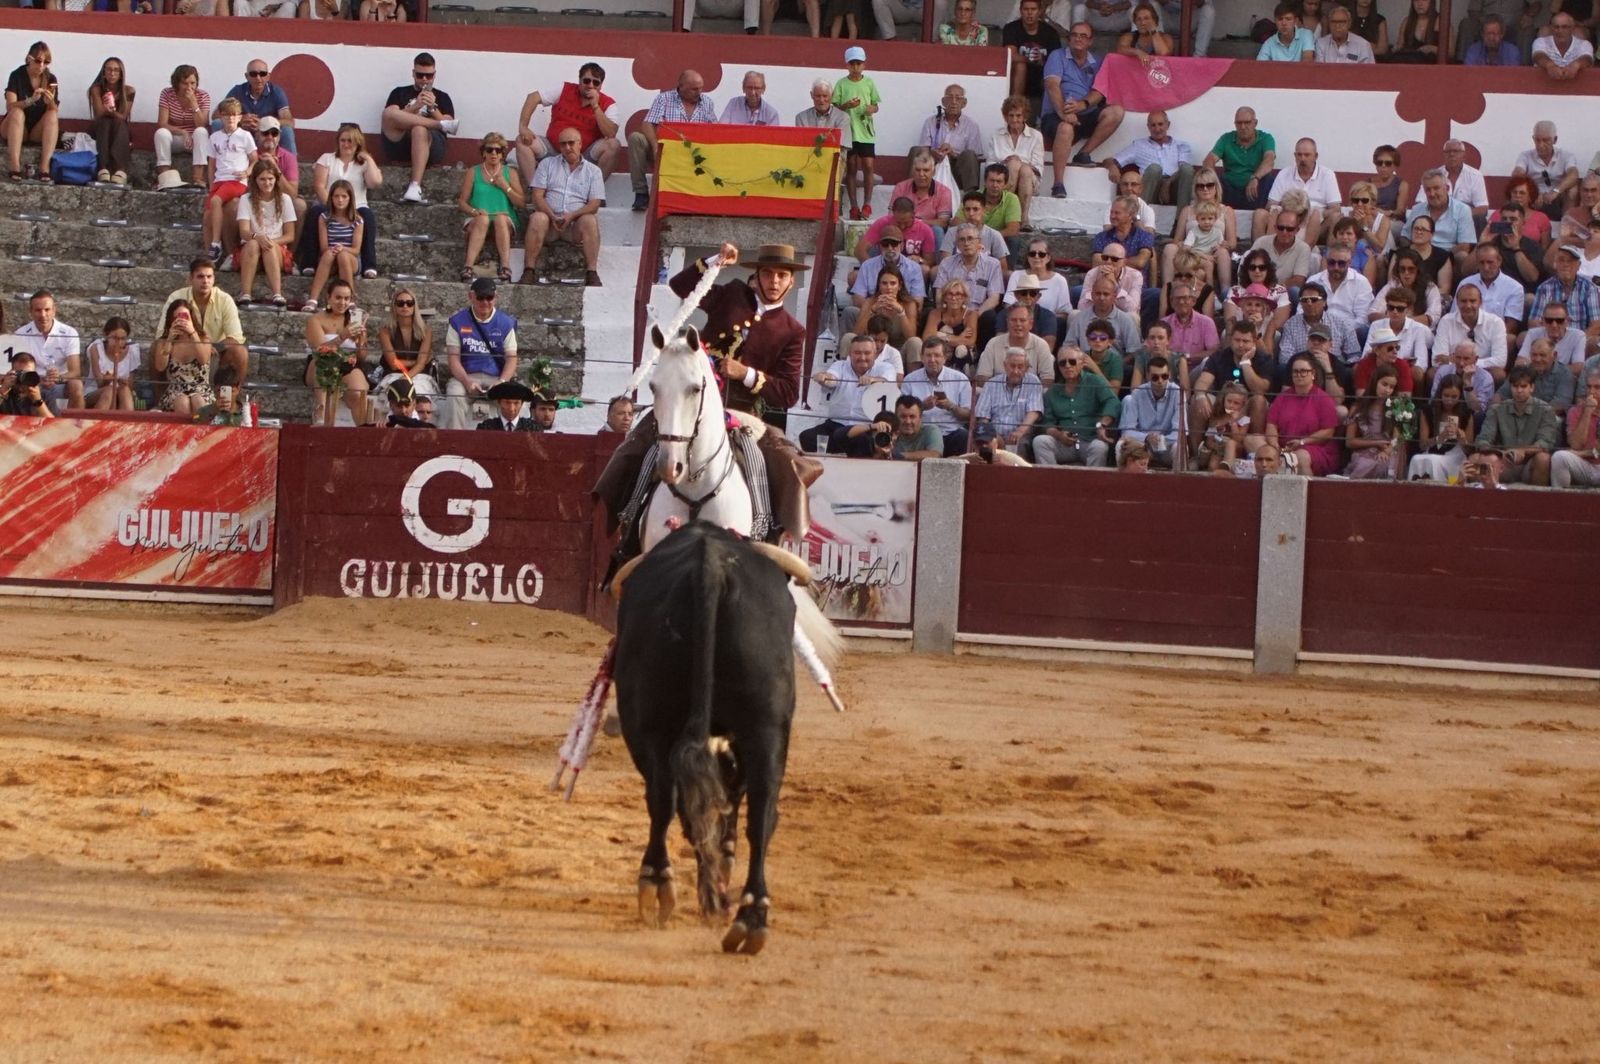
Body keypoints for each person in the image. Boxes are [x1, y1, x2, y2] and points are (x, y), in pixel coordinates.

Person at [1042, 24, 1124, 193]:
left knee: (1116, 112)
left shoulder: (1097, 61)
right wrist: (1064, 114)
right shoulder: (1057, 56)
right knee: (1065, 128)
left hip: (1085, 114)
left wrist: (1082, 105)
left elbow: (1100, 91)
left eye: (1083, 36)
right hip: (1055, 115)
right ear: (1068, 38)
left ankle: (1083, 153)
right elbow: (1052, 86)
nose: (1078, 38)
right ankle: (1058, 184)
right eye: (1074, 35)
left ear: (1090, 41)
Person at [514, 62, 621, 190]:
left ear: (601, 85)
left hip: (584, 156)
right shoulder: (564, 89)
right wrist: (523, 127)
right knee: (522, 140)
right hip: (553, 150)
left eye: (595, 83)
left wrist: (596, 106)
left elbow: (610, 134)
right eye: (586, 81)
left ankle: (594, 191)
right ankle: (534, 189)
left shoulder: (608, 104)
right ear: (579, 80)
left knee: (613, 145)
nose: (590, 86)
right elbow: (533, 97)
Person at [523, 126, 604, 288]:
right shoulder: (547, 164)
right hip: (549, 224)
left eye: (571, 143)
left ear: (580, 144)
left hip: (574, 226)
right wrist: (552, 216)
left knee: (589, 220)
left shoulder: (593, 171)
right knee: (538, 217)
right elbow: (537, 196)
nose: (567, 147)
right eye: (563, 144)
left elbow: (595, 204)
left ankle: (592, 272)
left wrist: (572, 216)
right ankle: (529, 270)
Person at [628, 68, 716, 214]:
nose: (699, 92)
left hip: (693, 156)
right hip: (665, 151)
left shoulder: (707, 102)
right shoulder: (664, 99)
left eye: (700, 88)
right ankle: (641, 192)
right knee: (635, 138)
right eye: (694, 89)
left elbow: (714, 129)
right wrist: (656, 146)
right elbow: (648, 123)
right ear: (681, 87)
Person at [301, 123, 382, 279]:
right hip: (328, 203)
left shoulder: (363, 163)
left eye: (350, 141)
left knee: (368, 216)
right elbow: (319, 186)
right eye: (343, 140)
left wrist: (369, 159)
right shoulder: (327, 159)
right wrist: (333, 207)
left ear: (358, 142)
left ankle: (369, 265)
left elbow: (375, 182)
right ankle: (309, 263)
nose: (346, 144)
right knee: (315, 212)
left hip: (356, 206)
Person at [443, 277, 518, 431]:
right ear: (471, 297)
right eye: (480, 297)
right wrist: (466, 382)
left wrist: (501, 382)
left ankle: (509, 440)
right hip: (467, 375)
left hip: (496, 376)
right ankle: (454, 441)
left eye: (489, 298)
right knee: (455, 394)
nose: (485, 302)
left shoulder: (506, 323)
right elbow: (453, 359)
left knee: (513, 397)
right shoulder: (457, 321)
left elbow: (511, 359)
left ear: (496, 298)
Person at [382, 52, 458, 205]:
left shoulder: (442, 97)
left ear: (434, 75)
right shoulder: (399, 92)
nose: (424, 79)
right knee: (389, 113)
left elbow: (450, 125)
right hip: (400, 143)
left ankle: (415, 186)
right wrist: (415, 106)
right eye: (420, 75)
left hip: (430, 146)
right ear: (413, 73)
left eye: (428, 76)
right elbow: (390, 118)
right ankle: (437, 124)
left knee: (419, 128)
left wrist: (432, 108)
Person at [162, 259, 247, 390]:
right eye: (200, 276)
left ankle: (229, 402)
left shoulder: (225, 300)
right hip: (182, 350)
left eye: (209, 276)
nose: (205, 281)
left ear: (214, 279)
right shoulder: (176, 297)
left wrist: (208, 346)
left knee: (240, 352)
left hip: (216, 353)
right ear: (190, 278)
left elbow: (235, 338)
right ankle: (160, 403)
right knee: (156, 348)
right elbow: (162, 334)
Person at [800, 335, 894, 453]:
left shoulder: (885, 367)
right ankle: (843, 447)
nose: (862, 357)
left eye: (867, 353)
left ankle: (844, 447)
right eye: (857, 353)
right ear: (850, 354)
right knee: (807, 437)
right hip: (836, 424)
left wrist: (872, 380)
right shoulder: (840, 365)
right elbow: (832, 378)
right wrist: (824, 377)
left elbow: (887, 380)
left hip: (865, 427)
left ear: (875, 354)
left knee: (862, 442)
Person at [1031, 347, 1119, 465]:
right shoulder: (1052, 392)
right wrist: (1059, 435)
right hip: (1063, 444)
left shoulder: (1095, 381)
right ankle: (1050, 481)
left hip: (1090, 440)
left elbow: (1113, 401)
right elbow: (1048, 423)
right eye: (1062, 363)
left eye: (1072, 361)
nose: (1067, 366)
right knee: (1040, 441)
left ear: (1082, 363)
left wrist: (1102, 424)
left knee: (1099, 447)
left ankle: (1094, 483)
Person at [1473, 365, 1560, 483]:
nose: (1519, 390)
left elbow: (1545, 443)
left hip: (1530, 464)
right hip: (1502, 462)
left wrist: (1522, 451)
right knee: (1474, 459)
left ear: (1532, 387)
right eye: (1515, 386)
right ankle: (1482, 498)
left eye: (1523, 386)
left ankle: (1538, 499)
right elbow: (1483, 440)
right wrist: (1499, 453)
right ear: (1510, 387)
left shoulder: (1545, 410)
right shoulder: (1497, 409)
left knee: (1543, 458)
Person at [457, 132, 523, 283]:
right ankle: (468, 266)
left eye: (498, 150)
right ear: (483, 153)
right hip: (478, 220)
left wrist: (505, 187)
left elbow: (521, 202)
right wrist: (474, 211)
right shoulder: (473, 172)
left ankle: (505, 267)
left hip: (504, 221)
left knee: (500, 218)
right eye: (490, 150)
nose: (494, 153)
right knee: (483, 219)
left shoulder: (510, 173)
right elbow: (462, 202)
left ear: (502, 154)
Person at [303, 279, 370, 424]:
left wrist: (361, 340)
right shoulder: (316, 320)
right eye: (338, 298)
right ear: (329, 298)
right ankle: (322, 414)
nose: (342, 303)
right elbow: (320, 350)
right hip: (321, 363)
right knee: (325, 362)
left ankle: (363, 429)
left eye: (347, 299)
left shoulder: (354, 319)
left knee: (358, 392)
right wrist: (343, 336)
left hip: (349, 363)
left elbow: (362, 357)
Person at [1266, 352, 1342, 475]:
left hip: (1315, 447)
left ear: (1313, 374)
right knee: (1253, 441)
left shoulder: (1323, 398)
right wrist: (1274, 444)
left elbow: (1328, 431)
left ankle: (1309, 492)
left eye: (1303, 371)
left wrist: (1302, 442)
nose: (1299, 375)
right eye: (1295, 372)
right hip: (1283, 445)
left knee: (1299, 457)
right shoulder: (1283, 397)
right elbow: (1272, 424)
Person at [235, 158, 296, 308]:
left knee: (268, 245)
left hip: (276, 250)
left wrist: (269, 242)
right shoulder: (246, 199)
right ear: (255, 180)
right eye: (262, 179)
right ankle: (246, 293)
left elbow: (290, 235)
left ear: (276, 179)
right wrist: (257, 238)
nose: (267, 183)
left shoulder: (285, 199)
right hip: (251, 248)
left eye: (270, 179)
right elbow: (243, 232)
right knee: (253, 244)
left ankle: (277, 294)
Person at [203, 99, 255, 267]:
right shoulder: (214, 137)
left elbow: (255, 159)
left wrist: (247, 172)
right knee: (207, 216)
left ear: (239, 117)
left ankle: (216, 243)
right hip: (220, 180)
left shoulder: (245, 136)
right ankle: (210, 258)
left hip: (236, 180)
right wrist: (211, 184)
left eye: (234, 115)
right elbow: (211, 163)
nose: (230, 118)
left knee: (216, 201)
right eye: (227, 115)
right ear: (221, 116)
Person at [1258, 139, 1341, 243]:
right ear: (1295, 156)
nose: (1302, 159)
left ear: (1316, 156)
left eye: (1307, 155)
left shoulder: (1328, 175)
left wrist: (1313, 213)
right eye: (1299, 155)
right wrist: (1290, 213)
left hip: (1316, 224)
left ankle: (1330, 256)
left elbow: (1336, 209)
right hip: (1286, 223)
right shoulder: (1284, 173)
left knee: (1336, 217)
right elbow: (1270, 205)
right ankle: (1258, 251)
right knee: (1260, 214)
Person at [901, 336, 973, 455]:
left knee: (964, 436)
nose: (932, 360)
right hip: (921, 433)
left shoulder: (960, 379)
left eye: (937, 355)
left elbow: (968, 415)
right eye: (928, 355)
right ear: (922, 357)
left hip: (950, 432)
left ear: (945, 358)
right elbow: (901, 412)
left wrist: (951, 406)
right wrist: (921, 407)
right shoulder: (910, 379)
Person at [1112, 109, 1193, 211]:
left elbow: (1184, 169)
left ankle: (1180, 221)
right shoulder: (1138, 145)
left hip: (1175, 188)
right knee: (1155, 168)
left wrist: (1167, 183)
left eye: (1160, 124)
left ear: (1168, 125)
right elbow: (1113, 160)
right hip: (1151, 189)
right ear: (1148, 127)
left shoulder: (1181, 146)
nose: (1157, 129)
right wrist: (1112, 166)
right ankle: (1138, 216)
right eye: (1153, 125)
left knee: (1187, 169)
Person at [835, 47, 882, 222]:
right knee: (852, 168)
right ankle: (854, 206)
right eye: (852, 63)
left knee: (869, 166)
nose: (855, 67)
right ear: (847, 65)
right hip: (849, 131)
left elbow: (876, 104)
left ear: (864, 64)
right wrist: (846, 105)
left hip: (865, 131)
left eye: (859, 63)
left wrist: (872, 109)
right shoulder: (841, 84)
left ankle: (867, 204)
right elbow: (835, 107)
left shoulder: (869, 83)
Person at [16, 290, 82, 411]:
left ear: (54, 310)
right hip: (33, 382)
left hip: (61, 382)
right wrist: (37, 379)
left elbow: (75, 371)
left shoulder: (69, 333)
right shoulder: (20, 334)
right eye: (38, 310)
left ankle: (78, 426)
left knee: (76, 384)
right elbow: (17, 369)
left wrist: (59, 378)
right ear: (30, 312)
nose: (43, 315)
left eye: (47, 310)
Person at [1203, 107, 1276, 212]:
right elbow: (1209, 160)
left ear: (1255, 123)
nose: (1242, 127)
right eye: (1239, 123)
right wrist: (1213, 180)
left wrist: (1255, 178)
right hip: (1230, 188)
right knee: (1212, 178)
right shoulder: (1226, 139)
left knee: (1268, 179)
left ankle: (1260, 214)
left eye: (1247, 122)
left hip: (1255, 189)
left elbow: (1269, 160)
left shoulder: (1266, 138)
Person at [974, 348, 1045, 456]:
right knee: (986, 442)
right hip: (995, 434)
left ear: (1026, 367)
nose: (1016, 371)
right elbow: (983, 417)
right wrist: (991, 435)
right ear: (1005, 366)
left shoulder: (1033, 381)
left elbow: (1034, 412)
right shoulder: (991, 384)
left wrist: (1020, 431)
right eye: (1012, 366)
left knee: (1021, 444)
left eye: (1020, 367)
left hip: (1022, 434)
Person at [305, 179, 362, 313]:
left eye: (344, 196)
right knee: (329, 254)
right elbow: (324, 247)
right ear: (331, 198)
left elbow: (356, 249)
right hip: (329, 257)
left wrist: (342, 248)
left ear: (350, 198)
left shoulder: (357, 220)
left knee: (343, 255)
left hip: (350, 259)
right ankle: (313, 299)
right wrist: (334, 249)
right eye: (336, 196)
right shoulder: (324, 217)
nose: (340, 200)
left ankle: (350, 300)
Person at [4, 41, 58, 183]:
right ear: (29, 58)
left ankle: (44, 167)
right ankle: (15, 166)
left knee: (52, 115)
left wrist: (50, 102)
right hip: (13, 126)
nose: (41, 66)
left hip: (35, 130)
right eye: (38, 61)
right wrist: (30, 100)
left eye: (46, 62)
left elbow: (54, 111)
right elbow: (10, 107)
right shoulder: (17, 75)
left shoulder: (50, 79)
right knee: (17, 112)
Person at [151, 300, 215, 418]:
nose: (182, 321)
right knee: (182, 402)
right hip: (176, 390)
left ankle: (201, 435)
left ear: (192, 318)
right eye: (177, 318)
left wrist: (192, 333)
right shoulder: (164, 341)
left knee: (198, 402)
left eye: (185, 316)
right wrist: (170, 340)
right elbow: (160, 366)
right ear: (171, 320)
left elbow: (204, 360)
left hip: (201, 389)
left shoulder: (203, 338)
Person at [988, 98, 1044, 229]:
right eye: (1011, 115)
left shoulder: (1036, 136)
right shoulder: (996, 135)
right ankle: (1010, 215)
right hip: (1002, 179)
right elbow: (990, 164)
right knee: (1012, 165)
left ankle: (1023, 219)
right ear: (1005, 116)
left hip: (1029, 180)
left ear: (1025, 116)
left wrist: (1019, 163)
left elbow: (1038, 166)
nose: (1014, 119)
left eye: (1018, 115)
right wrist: (1005, 163)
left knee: (1022, 168)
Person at [222, 58, 296, 157]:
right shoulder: (237, 91)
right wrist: (239, 120)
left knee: (287, 130)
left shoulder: (276, 92)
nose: (258, 78)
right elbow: (217, 115)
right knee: (218, 124)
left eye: (262, 74)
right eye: (253, 74)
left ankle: (291, 169)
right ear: (247, 76)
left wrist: (265, 123)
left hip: (267, 135)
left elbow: (289, 121)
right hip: (242, 132)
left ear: (268, 76)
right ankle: (221, 164)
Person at [1116, 354, 1180, 467]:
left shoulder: (1177, 392)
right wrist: (1147, 438)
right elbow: (1127, 431)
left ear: (1169, 375)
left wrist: (1161, 440)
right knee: (1121, 445)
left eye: (1164, 376)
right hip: (1143, 447)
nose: (1160, 381)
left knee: (1179, 447)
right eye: (1155, 377)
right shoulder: (1137, 393)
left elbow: (1180, 433)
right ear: (1147, 376)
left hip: (1167, 446)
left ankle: (1179, 484)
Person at [1407, 376, 1474, 481]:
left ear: (1460, 396)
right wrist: (1439, 438)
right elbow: (1422, 445)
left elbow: (1469, 450)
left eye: (1454, 397)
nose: (1449, 400)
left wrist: (1462, 439)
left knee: (1434, 461)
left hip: (1456, 454)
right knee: (1416, 459)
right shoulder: (1429, 411)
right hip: (1433, 450)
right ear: (1440, 394)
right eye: (1446, 396)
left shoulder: (1466, 414)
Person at [376, 288, 436, 404]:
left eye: (409, 303)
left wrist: (405, 378)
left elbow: (420, 365)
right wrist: (417, 361)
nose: (405, 306)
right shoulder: (385, 331)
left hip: (419, 375)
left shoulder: (426, 331)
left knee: (417, 395)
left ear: (414, 306)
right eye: (400, 303)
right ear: (394, 306)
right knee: (395, 399)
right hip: (393, 374)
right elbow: (393, 364)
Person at [155, 64, 210, 188]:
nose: (189, 87)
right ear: (177, 83)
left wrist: (194, 103)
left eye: (193, 83)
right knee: (161, 133)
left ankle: (198, 178)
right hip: (176, 138)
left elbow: (202, 124)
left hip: (195, 140)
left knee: (201, 131)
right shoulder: (167, 93)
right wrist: (183, 132)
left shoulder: (203, 96)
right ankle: (165, 176)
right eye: (185, 83)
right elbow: (162, 123)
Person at [1004, 0, 1062, 115]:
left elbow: (1057, 62)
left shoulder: (1051, 33)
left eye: (1033, 9)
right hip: (1017, 76)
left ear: (1040, 11)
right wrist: (1030, 59)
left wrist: (1043, 60)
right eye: (1026, 9)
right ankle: (1015, 108)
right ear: (1020, 11)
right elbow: (1010, 55)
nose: (1029, 13)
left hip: (1041, 76)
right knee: (1020, 66)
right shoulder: (1011, 28)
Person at [1531, 243, 1600, 338]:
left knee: (1595, 343)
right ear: (1555, 264)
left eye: (1570, 261)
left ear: (1578, 265)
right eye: (1561, 260)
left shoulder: (1590, 288)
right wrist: (1550, 341)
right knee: (1523, 337)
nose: (1566, 264)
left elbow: (1596, 325)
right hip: (1550, 339)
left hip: (1581, 339)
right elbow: (1534, 322)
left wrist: (1576, 342)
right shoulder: (1544, 288)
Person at [1343, 365, 1401, 478]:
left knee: (1383, 463)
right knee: (1365, 464)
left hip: (1388, 451)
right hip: (1364, 451)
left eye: (1391, 387)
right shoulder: (1358, 407)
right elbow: (1349, 442)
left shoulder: (1395, 408)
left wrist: (1387, 451)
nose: (1387, 390)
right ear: (1375, 382)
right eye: (1384, 384)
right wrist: (1376, 443)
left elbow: (1396, 439)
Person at [934, 225, 1005, 316]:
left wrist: (975, 316)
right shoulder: (946, 263)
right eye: (962, 239)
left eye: (970, 238)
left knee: (990, 316)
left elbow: (994, 298)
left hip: (978, 314)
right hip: (952, 312)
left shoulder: (993, 264)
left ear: (979, 241)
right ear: (957, 245)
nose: (966, 243)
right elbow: (939, 295)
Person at [1494, 336, 1576, 414]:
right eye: (1534, 355)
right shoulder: (1522, 370)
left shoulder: (1565, 374)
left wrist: (1531, 415)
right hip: (1519, 415)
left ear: (1554, 355)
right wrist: (1494, 409)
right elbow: (1500, 395)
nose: (1537, 359)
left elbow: (1560, 405)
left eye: (1542, 355)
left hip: (1549, 418)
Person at [977, 302, 1054, 384]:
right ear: (1007, 323)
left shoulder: (1041, 345)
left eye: (1022, 320)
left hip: (1030, 393)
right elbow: (982, 377)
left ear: (1030, 324)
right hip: (998, 393)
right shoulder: (993, 343)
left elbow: (1047, 379)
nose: (1018, 324)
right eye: (1013, 320)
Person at [87, 56, 133, 185]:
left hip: (119, 128)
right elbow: (99, 113)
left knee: (118, 122)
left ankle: (119, 168)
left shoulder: (128, 91)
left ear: (121, 73)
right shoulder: (96, 89)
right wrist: (107, 110)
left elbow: (123, 116)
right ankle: (103, 168)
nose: (112, 73)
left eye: (116, 70)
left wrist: (112, 112)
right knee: (106, 122)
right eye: (109, 70)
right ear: (104, 72)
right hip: (100, 127)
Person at [1551, 370, 1600, 487]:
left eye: (1597, 387)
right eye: (1589, 387)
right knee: (1559, 457)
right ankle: (1559, 500)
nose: (1591, 392)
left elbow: (1598, 452)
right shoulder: (1576, 411)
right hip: (1584, 466)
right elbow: (1575, 445)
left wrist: (1580, 454)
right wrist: (1587, 412)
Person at [922, 278, 980, 376]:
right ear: (944, 297)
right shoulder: (935, 313)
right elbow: (927, 338)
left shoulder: (971, 315)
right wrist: (959, 338)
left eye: (958, 294)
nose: (954, 298)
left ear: (964, 298)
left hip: (963, 355)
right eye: (950, 294)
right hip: (940, 352)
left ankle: (963, 382)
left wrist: (940, 335)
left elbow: (970, 342)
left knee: (961, 349)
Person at [794, 78, 853, 162]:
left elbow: (841, 147)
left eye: (825, 96)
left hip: (833, 162)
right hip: (808, 162)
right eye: (818, 96)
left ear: (832, 95)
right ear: (812, 95)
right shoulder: (801, 117)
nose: (821, 100)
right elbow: (802, 145)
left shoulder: (843, 117)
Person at [85, 316, 138, 412]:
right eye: (114, 338)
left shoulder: (132, 350)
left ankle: (124, 425)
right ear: (106, 335)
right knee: (109, 391)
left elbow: (130, 386)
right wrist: (108, 379)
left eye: (123, 339)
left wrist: (123, 382)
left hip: (121, 392)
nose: (119, 342)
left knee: (125, 391)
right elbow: (99, 383)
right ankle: (99, 424)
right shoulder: (96, 348)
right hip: (96, 391)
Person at [1516, 301, 1586, 369]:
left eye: (1559, 320)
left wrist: (1550, 372)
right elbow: (1520, 361)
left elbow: (1578, 367)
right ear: (1542, 321)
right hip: (1536, 377)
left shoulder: (1578, 336)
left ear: (1567, 321)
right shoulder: (1533, 333)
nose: (1554, 325)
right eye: (1549, 320)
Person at [1533, 8, 1594, 77]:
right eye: (1556, 27)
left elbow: (1587, 59)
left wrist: (1576, 65)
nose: (1560, 30)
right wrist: (1550, 65)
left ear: (1572, 28)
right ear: (1551, 28)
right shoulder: (1541, 41)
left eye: (1565, 27)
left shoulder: (1584, 44)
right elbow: (1538, 56)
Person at [0, 352, 54, 419]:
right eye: (19, 373)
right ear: (12, 372)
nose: (24, 377)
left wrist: (38, 401)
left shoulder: (44, 394)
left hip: (36, 429)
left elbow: (55, 425)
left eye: (28, 373)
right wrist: (3, 390)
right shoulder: (4, 393)